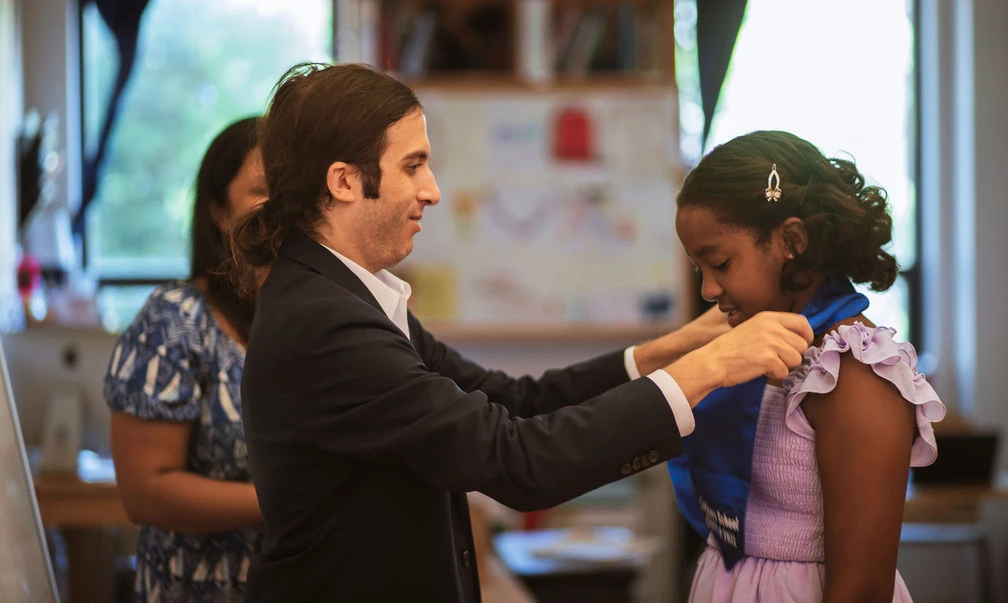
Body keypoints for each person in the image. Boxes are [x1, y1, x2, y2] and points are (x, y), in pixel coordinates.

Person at [230, 62, 814, 603]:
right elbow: (516, 459)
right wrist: (708, 368)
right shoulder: (326, 322)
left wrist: (669, 350)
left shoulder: (349, 296)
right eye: (412, 165)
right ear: (345, 181)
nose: (431, 190)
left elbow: (513, 400)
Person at [668, 130, 947, 602]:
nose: (708, 291)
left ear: (791, 239)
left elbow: (860, 590)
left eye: (720, 263)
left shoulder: (856, 372)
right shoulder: (752, 347)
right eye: (700, 270)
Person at [104, 117, 267, 602]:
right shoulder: (174, 322)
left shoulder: (310, 320)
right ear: (219, 211)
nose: (280, 209)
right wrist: (288, 503)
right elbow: (144, 492)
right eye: (262, 191)